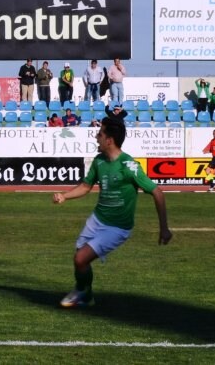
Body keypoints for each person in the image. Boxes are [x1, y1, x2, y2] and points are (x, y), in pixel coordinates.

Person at [53, 117, 172, 308]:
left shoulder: (129, 166)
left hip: (117, 227)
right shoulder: (99, 161)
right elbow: (85, 186)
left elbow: (157, 192)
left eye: (99, 134)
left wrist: (164, 228)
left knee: (80, 258)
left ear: (109, 140)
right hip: (97, 219)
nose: (96, 137)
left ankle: (81, 291)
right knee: (80, 260)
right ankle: (87, 295)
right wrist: (65, 196)